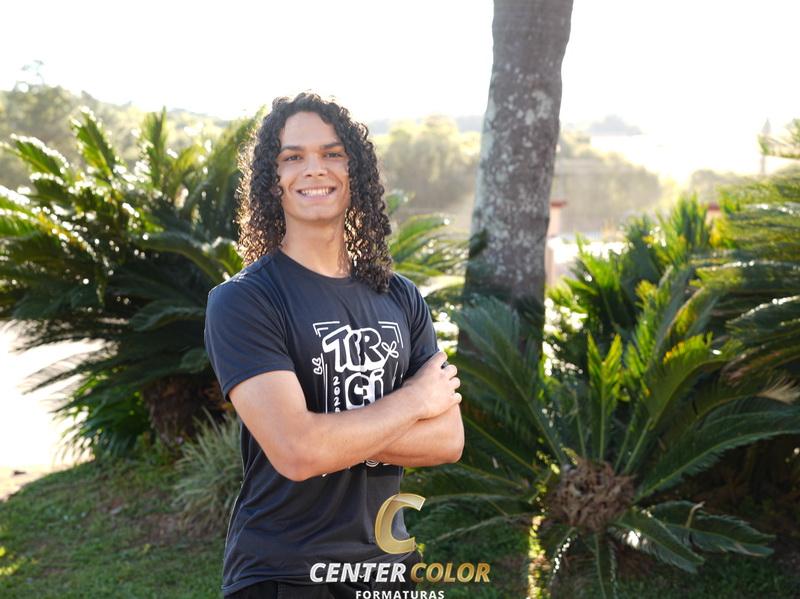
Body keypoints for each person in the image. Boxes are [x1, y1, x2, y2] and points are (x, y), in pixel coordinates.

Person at [204, 92, 464, 599]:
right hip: (285, 573)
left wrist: (324, 433)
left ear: (354, 171)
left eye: (332, 153)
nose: (314, 169)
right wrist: (414, 403)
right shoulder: (244, 300)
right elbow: (297, 453)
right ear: (272, 180)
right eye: (292, 157)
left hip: (391, 569)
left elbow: (447, 440)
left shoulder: (401, 296)